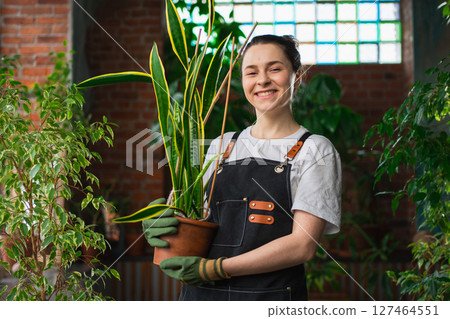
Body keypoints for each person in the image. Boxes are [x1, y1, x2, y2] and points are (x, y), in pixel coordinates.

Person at [143, 34, 341, 301]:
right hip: (201, 299)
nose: (262, 80)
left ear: (296, 75)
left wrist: (217, 268)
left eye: (275, 68)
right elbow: (193, 217)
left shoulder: (315, 149)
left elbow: (302, 246)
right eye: (251, 72)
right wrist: (162, 222)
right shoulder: (222, 145)